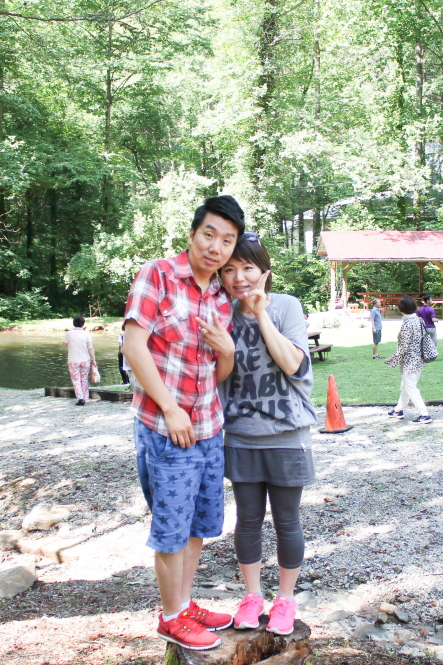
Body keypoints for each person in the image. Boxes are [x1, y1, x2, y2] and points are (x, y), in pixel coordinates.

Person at [122, 195, 243, 651]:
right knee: (171, 528)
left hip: (209, 428)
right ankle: (171, 616)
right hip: (164, 426)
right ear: (192, 234)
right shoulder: (158, 275)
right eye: (209, 234)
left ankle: (185, 604)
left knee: (197, 525)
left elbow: (217, 373)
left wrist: (228, 351)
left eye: (227, 241)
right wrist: (171, 409)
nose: (216, 247)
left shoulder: (221, 297)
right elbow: (133, 347)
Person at [218, 234, 316, 638]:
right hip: (241, 435)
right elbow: (218, 376)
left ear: (264, 270)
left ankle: (286, 599)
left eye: (247, 267)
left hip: (287, 434)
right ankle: (253, 595)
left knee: (287, 521)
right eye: (229, 269)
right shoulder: (221, 313)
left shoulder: (286, 306)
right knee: (247, 520)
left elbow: (294, 364)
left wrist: (260, 314)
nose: (239, 277)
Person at [385, 296, 432, 424]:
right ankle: (398, 410)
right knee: (405, 386)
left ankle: (424, 414)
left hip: (409, 362)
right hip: (419, 359)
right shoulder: (419, 320)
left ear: (401, 309)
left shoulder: (407, 324)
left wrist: (391, 360)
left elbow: (403, 347)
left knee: (411, 388)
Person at [63, 315, 97, 406]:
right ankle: (85, 397)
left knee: (76, 380)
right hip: (85, 360)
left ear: (74, 323)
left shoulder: (69, 333)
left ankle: (80, 398)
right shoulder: (86, 334)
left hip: (73, 361)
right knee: (84, 379)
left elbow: (64, 344)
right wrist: (94, 360)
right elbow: (90, 348)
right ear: (83, 324)